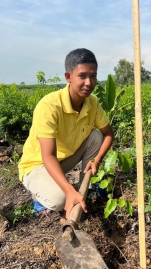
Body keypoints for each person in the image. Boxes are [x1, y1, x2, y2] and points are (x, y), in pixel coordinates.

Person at [18, 48, 114, 219]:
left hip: (63, 161)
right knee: (59, 200)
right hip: (37, 165)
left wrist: (96, 160)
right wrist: (69, 192)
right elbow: (47, 156)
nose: (89, 82)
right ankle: (39, 196)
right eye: (82, 76)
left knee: (96, 136)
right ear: (68, 77)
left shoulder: (93, 102)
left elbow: (108, 134)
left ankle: (83, 188)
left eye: (93, 76)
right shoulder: (50, 106)